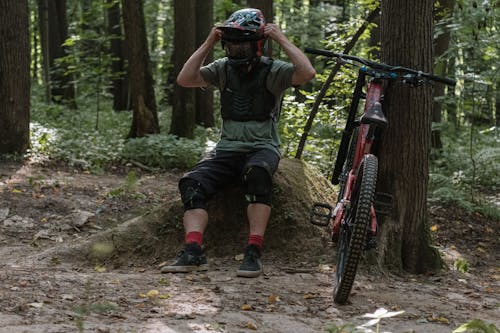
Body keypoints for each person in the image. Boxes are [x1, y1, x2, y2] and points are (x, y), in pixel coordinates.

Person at [161, 8, 315, 277]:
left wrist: (280, 38)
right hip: (227, 149)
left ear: (256, 43)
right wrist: (209, 41)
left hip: (262, 147)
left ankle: (253, 251)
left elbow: (307, 73)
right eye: (231, 42)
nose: (236, 48)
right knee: (191, 184)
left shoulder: (273, 71)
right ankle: (193, 251)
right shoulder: (222, 69)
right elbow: (185, 79)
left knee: (257, 175)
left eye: (242, 42)